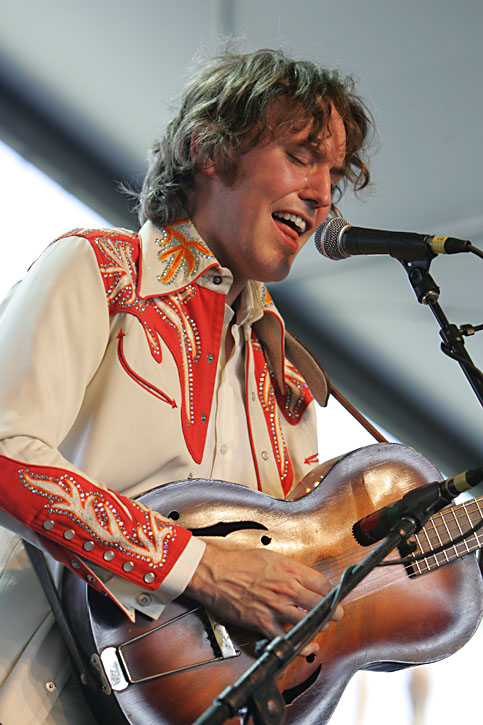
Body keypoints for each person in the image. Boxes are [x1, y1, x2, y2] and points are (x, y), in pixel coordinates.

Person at [0, 48, 373, 723]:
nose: (322, 195)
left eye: (334, 175)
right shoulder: (100, 270)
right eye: (300, 156)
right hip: (30, 687)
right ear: (208, 148)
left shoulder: (285, 379)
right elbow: (4, 449)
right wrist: (201, 567)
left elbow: (288, 584)